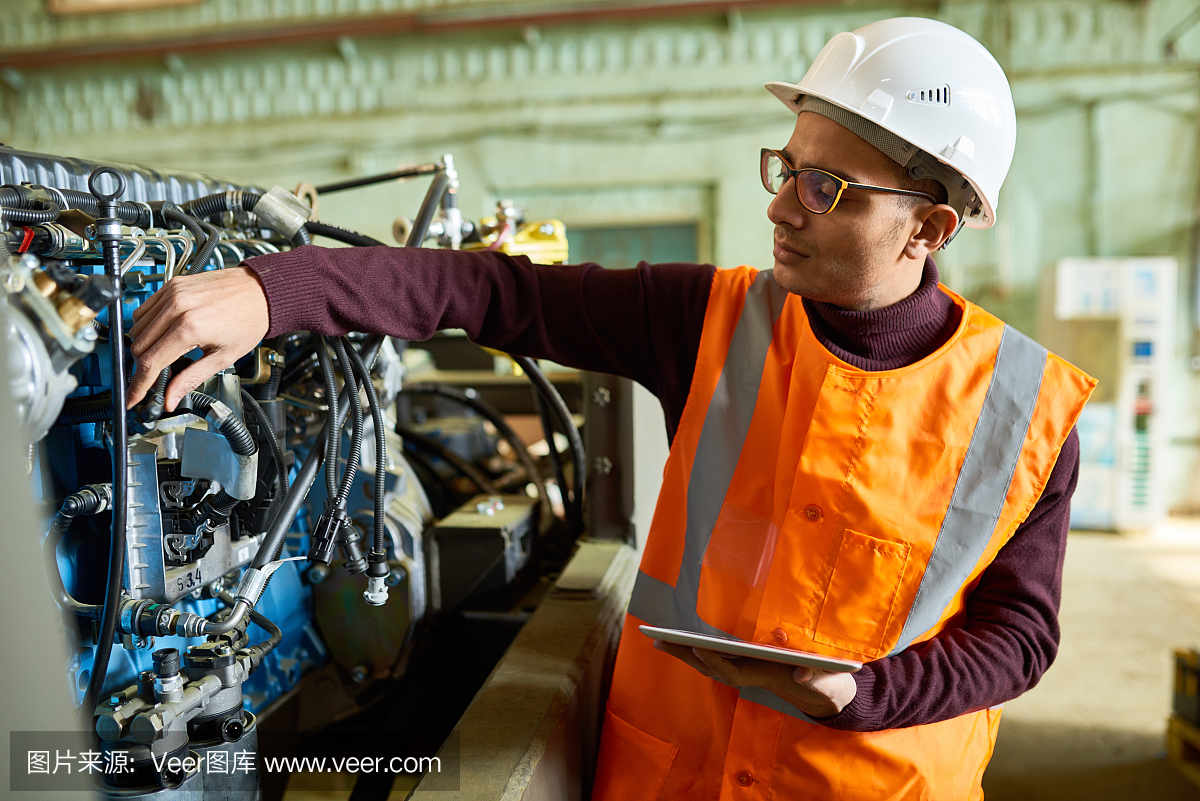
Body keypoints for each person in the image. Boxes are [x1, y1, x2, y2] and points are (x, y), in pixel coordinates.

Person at [127, 17, 1095, 799]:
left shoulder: (1026, 408)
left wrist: (865, 692)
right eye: (786, 166)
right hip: (665, 775)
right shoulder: (707, 319)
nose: (781, 206)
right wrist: (275, 290)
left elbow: (1019, 635)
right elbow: (493, 295)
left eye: (825, 186)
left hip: (867, 781)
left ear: (929, 226)